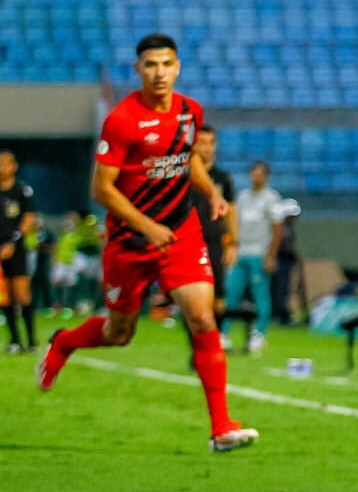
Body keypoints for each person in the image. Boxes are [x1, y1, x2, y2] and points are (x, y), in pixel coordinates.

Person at [37, 33, 258, 452]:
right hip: (129, 242)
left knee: (203, 318)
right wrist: (146, 226)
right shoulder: (122, 119)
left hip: (180, 232)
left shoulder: (190, 111)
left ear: (178, 68)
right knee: (119, 333)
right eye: (151, 65)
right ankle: (64, 342)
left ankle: (221, 427)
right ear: (138, 70)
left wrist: (211, 192)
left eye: (167, 64)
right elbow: (102, 189)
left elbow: (186, 157)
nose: (159, 73)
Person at [189, 125, 238, 359]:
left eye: (211, 143)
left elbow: (231, 211)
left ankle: (212, 345)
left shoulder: (223, 178)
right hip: (188, 243)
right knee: (192, 302)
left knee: (218, 301)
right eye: (202, 142)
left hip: (215, 243)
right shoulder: (184, 176)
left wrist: (232, 243)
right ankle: (197, 350)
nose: (207, 148)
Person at [224, 161, 283, 354]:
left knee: (260, 296)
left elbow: (277, 229)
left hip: (259, 253)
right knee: (231, 292)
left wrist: (271, 254)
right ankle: (223, 332)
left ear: (266, 176)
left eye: (260, 174)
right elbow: (233, 222)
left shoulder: (271, 198)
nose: (256, 177)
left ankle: (259, 334)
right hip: (241, 252)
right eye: (253, 173)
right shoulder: (242, 197)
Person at [0, 149, 39, 352]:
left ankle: (31, 340)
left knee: (22, 293)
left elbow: (29, 219)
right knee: (4, 296)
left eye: (6, 163)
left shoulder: (22, 191)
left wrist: (13, 241)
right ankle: (15, 340)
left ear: (14, 166)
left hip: (16, 248)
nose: (2, 167)